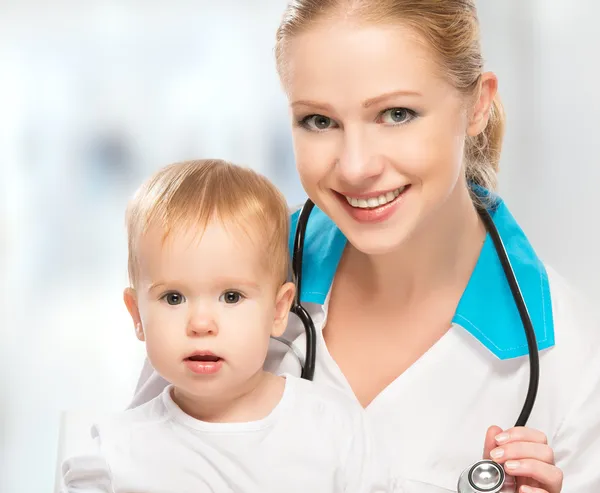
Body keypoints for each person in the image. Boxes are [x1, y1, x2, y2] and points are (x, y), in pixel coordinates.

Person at [130, 2, 600, 492]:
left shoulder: (572, 363)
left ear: (477, 105)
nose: (355, 167)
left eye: (396, 114)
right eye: (318, 121)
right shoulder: (220, 269)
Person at [60, 160, 398, 493]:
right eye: (174, 298)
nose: (201, 324)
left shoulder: (334, 428)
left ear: (278, 310)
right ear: (137, 316)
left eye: (232, 297)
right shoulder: (114, 455)